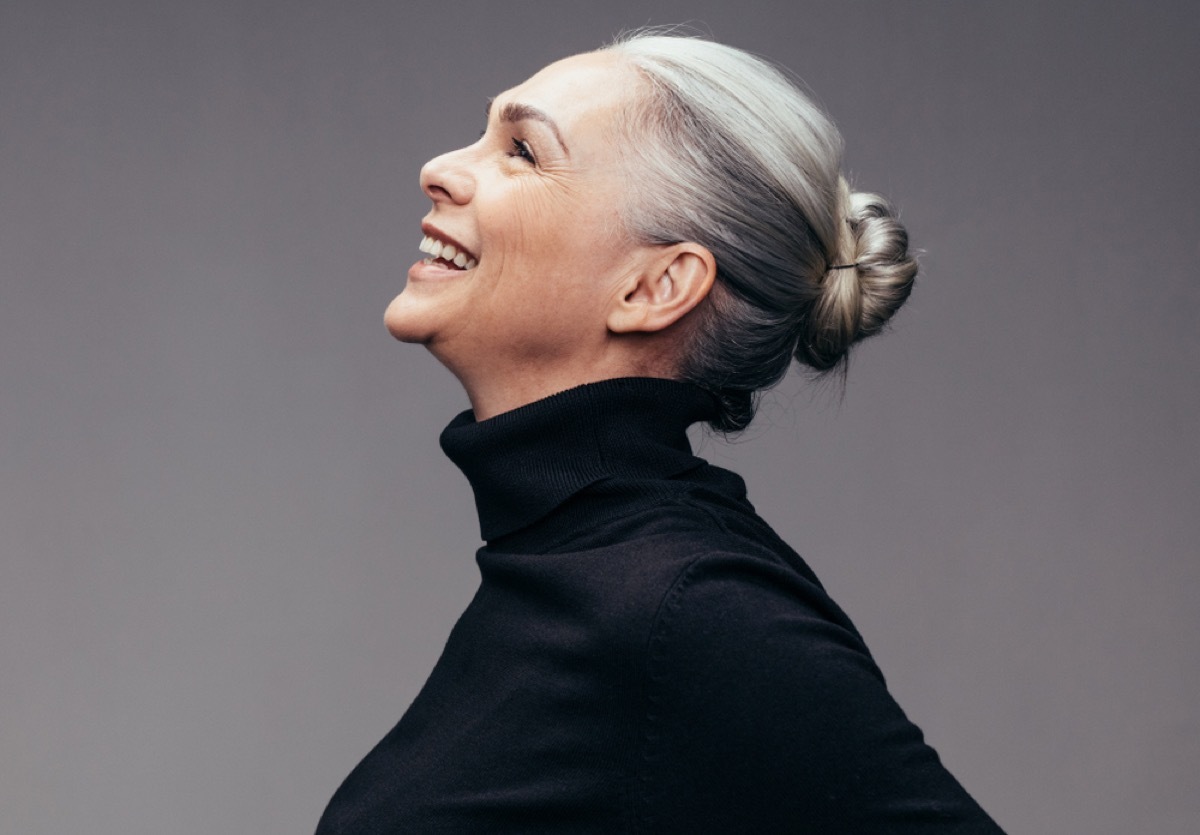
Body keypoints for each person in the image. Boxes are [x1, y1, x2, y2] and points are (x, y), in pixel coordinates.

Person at [316, 31, 1004, 834]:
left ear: (656, 286)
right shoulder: (578, 563)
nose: (441, 167)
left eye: (523, 151)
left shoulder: (685, 606)